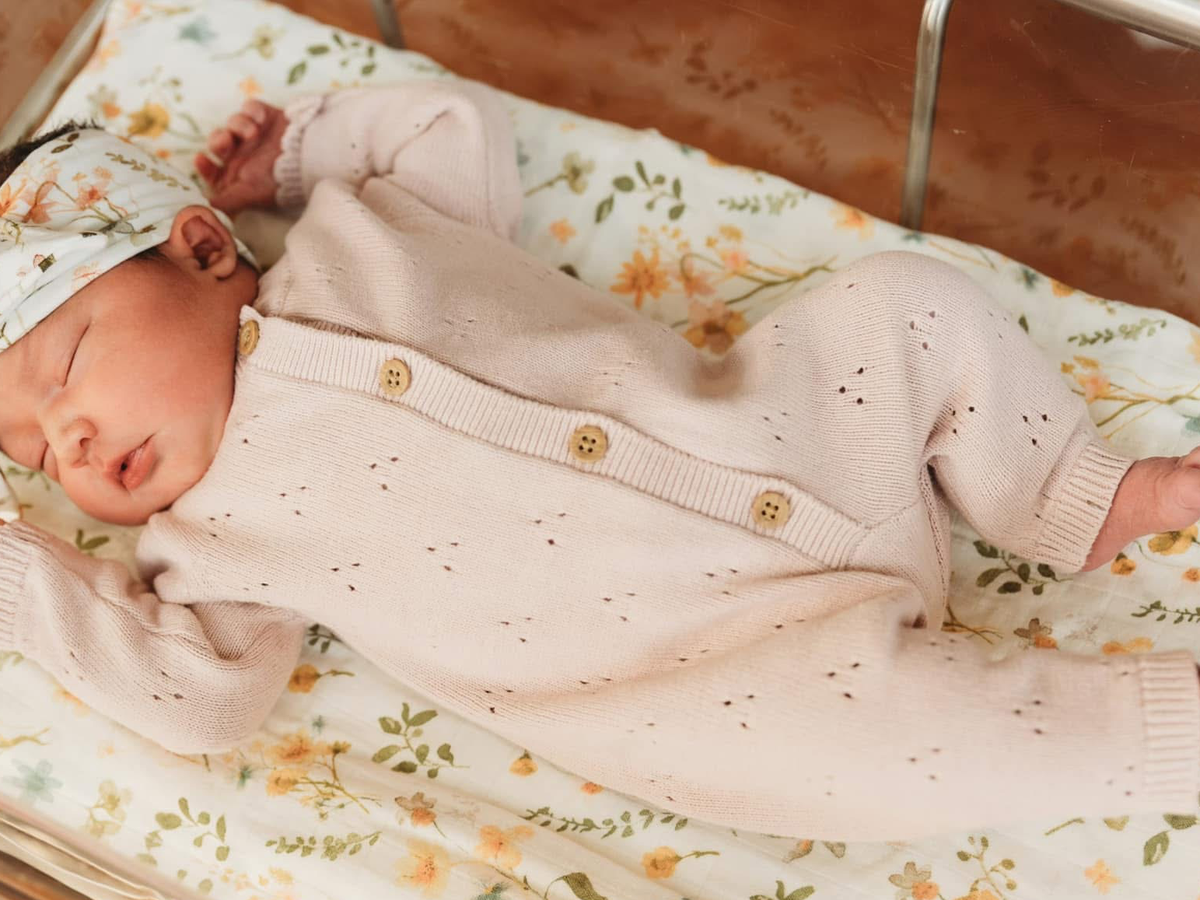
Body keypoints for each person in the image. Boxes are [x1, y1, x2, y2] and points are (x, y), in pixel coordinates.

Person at [0, 80, 1197, 842]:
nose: (71, 442)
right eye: (36, 450)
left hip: (795, 423)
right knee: (899, 754)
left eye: (67, 371)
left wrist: (299, 158)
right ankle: (1165, 731)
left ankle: (1072, 495)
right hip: (719, 673)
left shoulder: (361, 230)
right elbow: (199, 703)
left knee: (909, 302)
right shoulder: (211, 553)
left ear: (204, 247)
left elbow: (450, 124)